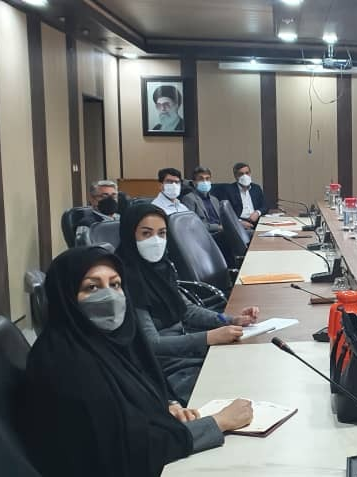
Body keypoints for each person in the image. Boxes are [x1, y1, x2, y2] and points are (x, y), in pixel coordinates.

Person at [20, 245, 253, 476]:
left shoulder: (105, 342)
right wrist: (219, 422)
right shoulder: (66, 365)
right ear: (65, 296)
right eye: (92, 287)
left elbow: (131, 406)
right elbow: (128, 452)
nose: (109, 296)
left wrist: (166, 406)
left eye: (115, 284)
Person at [116, 204, 260, 404]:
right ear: (129, 235)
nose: (156, 241)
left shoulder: (161, 267)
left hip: (185, 351)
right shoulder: (122, 279)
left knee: (250, 370)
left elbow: (187, 311)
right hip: (162, 368)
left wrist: (231, 320)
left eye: (162, 233)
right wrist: (208, 337)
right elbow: (152, 344)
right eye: (146, 234)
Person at [212, 162, 267, 229]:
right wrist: (239, 222)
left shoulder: (256, 188)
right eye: (241, 174)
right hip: (239, 223)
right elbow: (226, 212)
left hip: (257, 220)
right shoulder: (228, 190)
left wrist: (257, 213)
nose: (245, 176)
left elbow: (264, 206)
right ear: (235, 176)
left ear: (250, 174)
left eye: (247, 173)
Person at [180, 166, 224, 233]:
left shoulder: (214, 199)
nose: (205, 181)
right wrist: (218, 227)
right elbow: (192, 224)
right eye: (201, 179)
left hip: (221, 232)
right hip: (205, 234)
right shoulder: (189, 198)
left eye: (207, 179)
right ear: (194, 183)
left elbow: (222, 219)